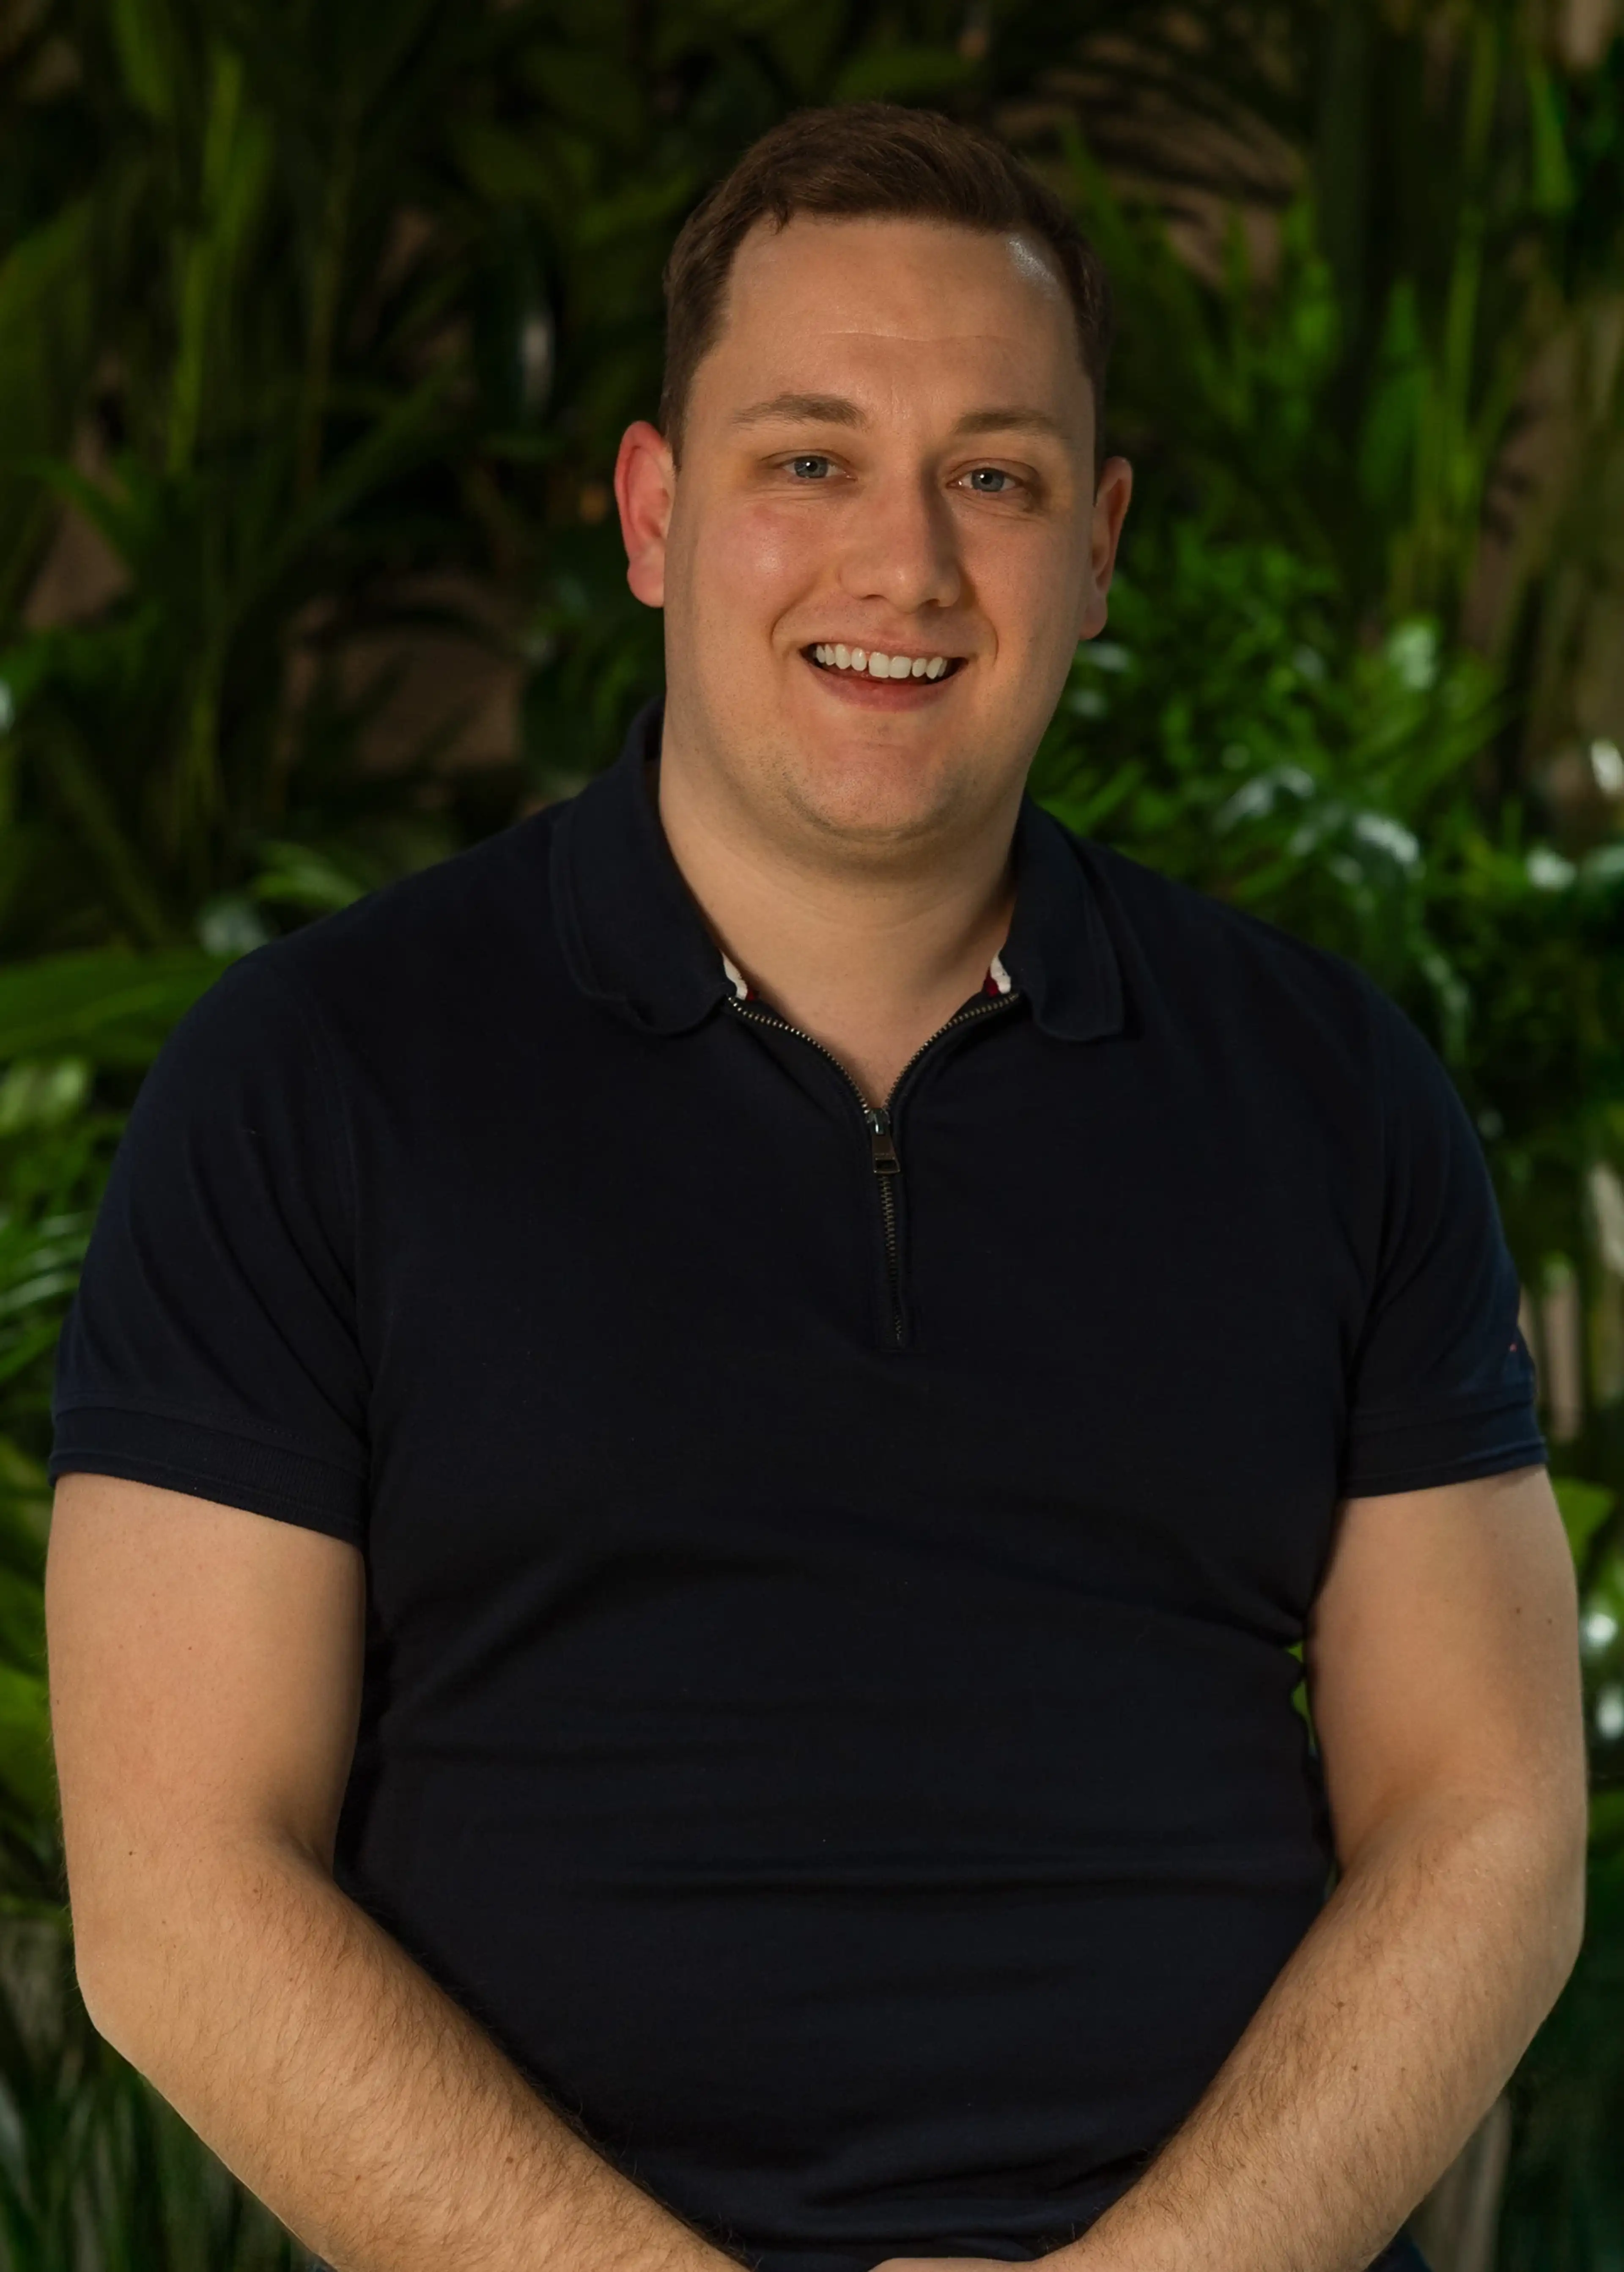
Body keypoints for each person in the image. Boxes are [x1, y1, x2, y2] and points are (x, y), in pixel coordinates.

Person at [44, 101, 1586, 2272]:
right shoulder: (310, 1081)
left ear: (1101, 540)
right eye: (810, 459)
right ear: (658, 513)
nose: (910, 564)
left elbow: (1490, 1821)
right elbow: (179, 1896)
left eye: (997, 475)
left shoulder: (1334, 1091)